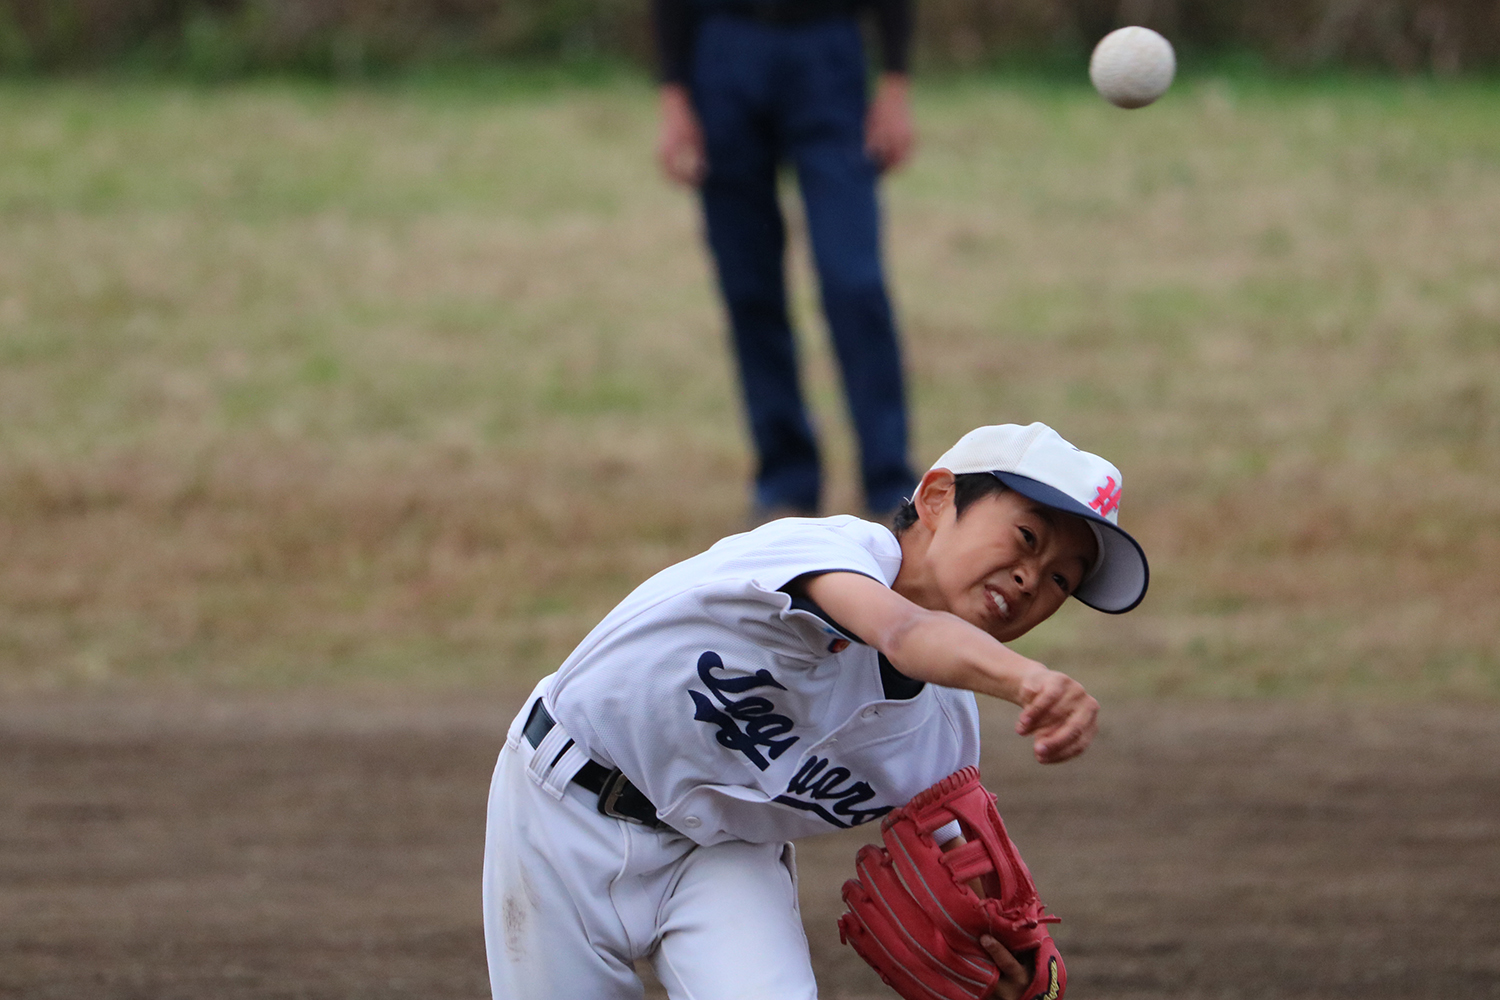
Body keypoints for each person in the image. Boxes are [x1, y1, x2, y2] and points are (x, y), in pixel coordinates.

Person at [482, 421, 1150, 999]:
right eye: (1027, 537)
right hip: (561, 810)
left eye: (1062, 578)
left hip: (723, 857)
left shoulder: (944, 739)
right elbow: (903, 633)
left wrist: (1020, 970)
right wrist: (1029, 679)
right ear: (938, 498)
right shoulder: (821, 550)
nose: (1033, 579)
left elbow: (975, 889)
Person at [652, 0, 921, 522]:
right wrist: (674, 93)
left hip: (827, 53)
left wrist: (895, 79)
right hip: (724, 53)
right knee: (748, 286)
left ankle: (889, 481)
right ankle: (785, 481)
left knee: (854, 281)